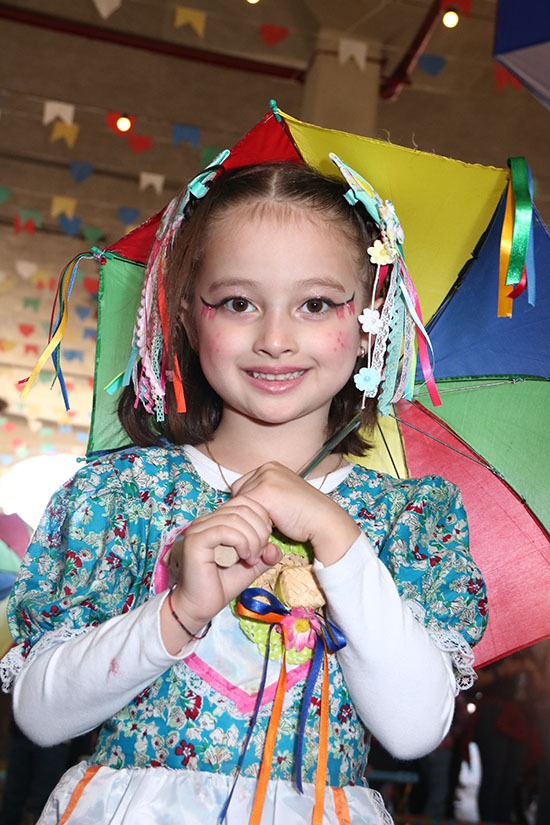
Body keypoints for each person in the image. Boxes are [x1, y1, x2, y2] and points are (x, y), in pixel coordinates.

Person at [0, 154, 488, 825]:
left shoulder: (402, 519)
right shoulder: (124, 495)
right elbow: (40, 713)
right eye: (238, 302)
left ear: (371, 320)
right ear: (188, 315)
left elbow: (412, 730)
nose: (275, 339)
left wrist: (341, 544)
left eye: (316, 304)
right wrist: (179, 612)